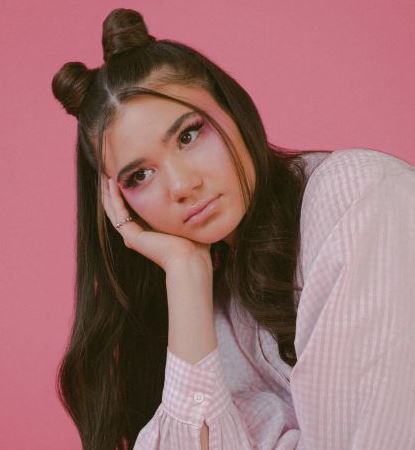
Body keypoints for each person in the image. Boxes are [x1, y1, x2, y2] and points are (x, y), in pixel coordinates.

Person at [51, 8, 415, 450]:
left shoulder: (358, 198)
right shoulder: (212, 315)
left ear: (232, 108)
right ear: (118, 202)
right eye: (140, 176)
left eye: (188, 136)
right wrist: (185, 273)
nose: (182, 186)